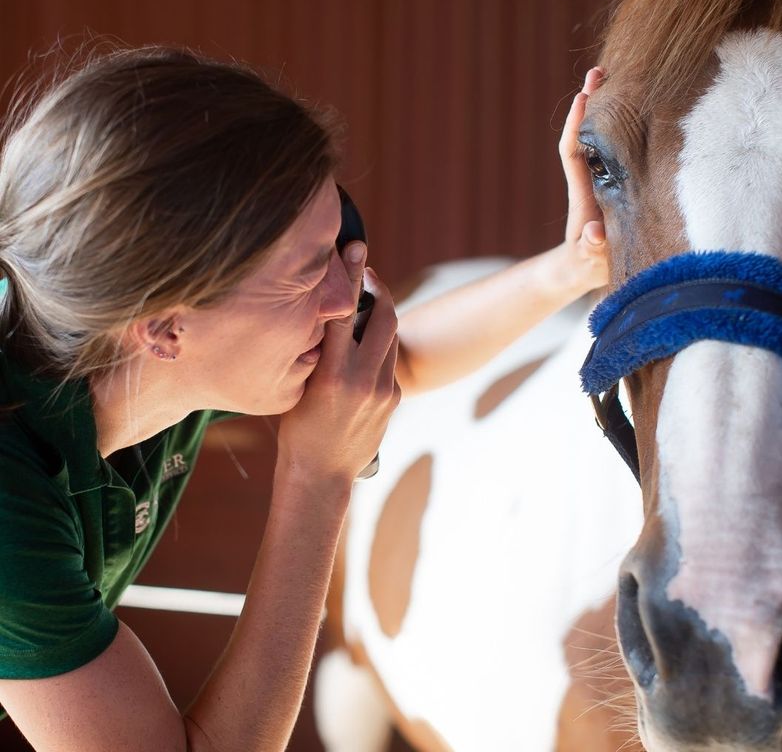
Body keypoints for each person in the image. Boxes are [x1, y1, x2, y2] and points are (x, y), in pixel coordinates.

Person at [0, 46, 605, 752]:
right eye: (310, 272)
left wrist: (574, 266)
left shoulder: (104, 348)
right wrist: (317, 478)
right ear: (164, 326)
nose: (350, 295)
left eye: (339, 239)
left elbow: (388, 359)